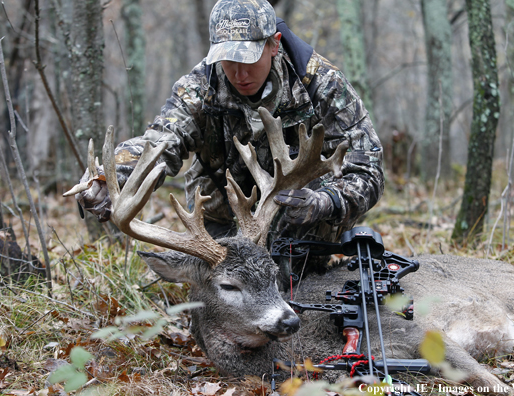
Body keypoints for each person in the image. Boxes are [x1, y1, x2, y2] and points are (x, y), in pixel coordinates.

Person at [76, 0, 384, 286]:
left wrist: (325, 202)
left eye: (248, 59)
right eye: (227, 59)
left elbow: (368, 169)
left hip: (301, 226)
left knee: (300, 289)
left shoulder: (322, 84)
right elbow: (161, 142)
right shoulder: (198, 88)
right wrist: (113, 174)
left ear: (273, 44)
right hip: (223, 228)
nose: (238, 73)